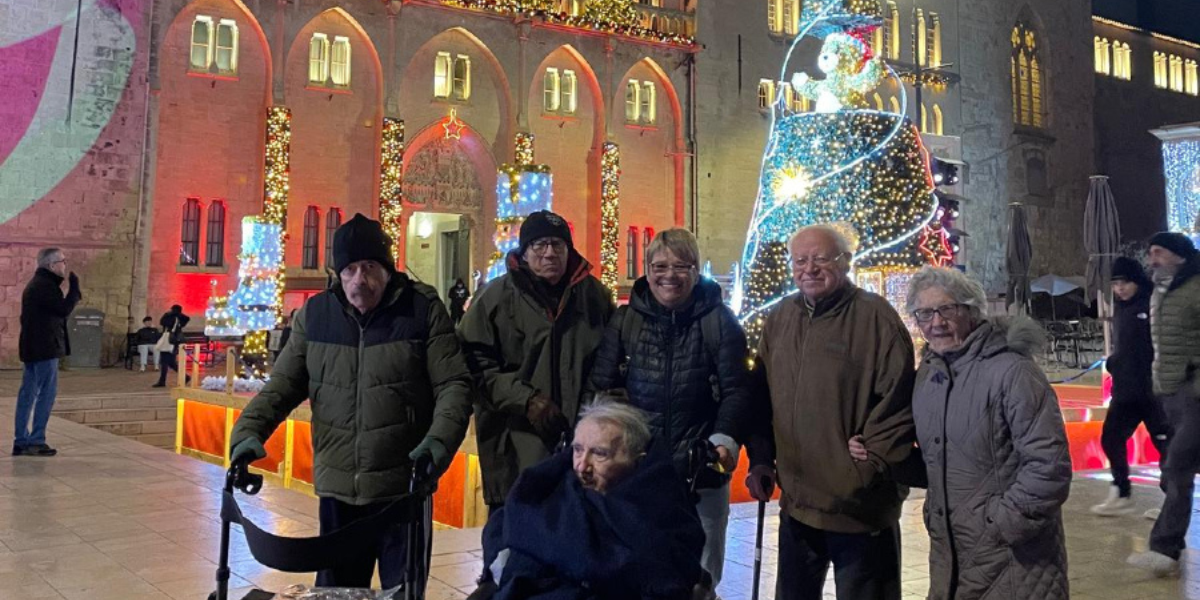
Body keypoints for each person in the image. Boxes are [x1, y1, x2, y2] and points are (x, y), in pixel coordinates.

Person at [228, 213, 474, 589]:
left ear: (388, 270)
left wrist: (437, 445)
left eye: (371, 267)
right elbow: (281, 387)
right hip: (339, 490)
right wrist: (246, 435)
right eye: (351, 269)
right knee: (336, 593)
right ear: (337, 273)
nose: (361, 279)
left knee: (402, 592)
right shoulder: (316, 316)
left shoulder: (421, 311)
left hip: (403, 487)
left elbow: (453, 385)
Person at [744, 224, 916, 600]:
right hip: (798, 506)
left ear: (846, 262)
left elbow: (899, 404)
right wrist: (760, 459)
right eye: (800, 260)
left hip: (860, 508)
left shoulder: (876, 319)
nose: (810, 268)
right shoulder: (780, 319)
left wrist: (867, 468)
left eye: (821, 258)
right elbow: (761, 398)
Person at [588, 228, 752, 593]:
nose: (669, 275)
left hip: (702, 473)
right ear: (646, 270)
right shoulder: (625, 321)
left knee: (699, 578)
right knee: (640, 572)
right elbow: (600, 389)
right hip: (639, 472)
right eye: (659, 265)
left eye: (681, 265)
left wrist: (721, 442)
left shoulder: (719, 321)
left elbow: (737, 391)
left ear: (696, 271)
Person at [459, 210, 615, 591]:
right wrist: (526, 400)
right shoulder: (495, 298)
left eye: (558, 245)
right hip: (516, 451)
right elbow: (472, 366)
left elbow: (611, 362)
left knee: (574, 562)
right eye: (540, 245)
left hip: (581, 454)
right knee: (511, 563)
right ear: (524, 252)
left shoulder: (594, 296)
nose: (549, 253)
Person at [894, 266, 1070, 599]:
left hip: (1012, 558)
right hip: (952, 552)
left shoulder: (1013, 371)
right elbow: (938, 460)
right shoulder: (928, 376)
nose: (936, 322)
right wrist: (880, 453)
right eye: (924, 313)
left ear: (971, 311)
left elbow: (1049, 466)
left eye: (947, 309)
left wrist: (1001, 525)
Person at [474, 398, 708, 600]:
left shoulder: (660, 506)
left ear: (637, 459)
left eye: (599, 453)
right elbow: (508, 525)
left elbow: (664, 567)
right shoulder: (551, 491)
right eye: (577, 450)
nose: (582, 465)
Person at [1128, 232, 1200, 577]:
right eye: (1151, 251)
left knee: (1177, 469)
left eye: (1159, 252)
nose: (1152, 258)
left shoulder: (1196, 288)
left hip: (1194, 394)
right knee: (1178, 470)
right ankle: (1170, 544)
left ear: (1179, 256)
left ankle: (1165, 548)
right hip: (1169, 392)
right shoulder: (1160, 291)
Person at [1091, 256, 1170, 516]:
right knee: (1111, 438)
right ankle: (1121, 491)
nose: (1120, 289)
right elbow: (1125, 346)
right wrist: (1115, 363)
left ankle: (1172, 501)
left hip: (1152, 391)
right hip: (1125, 390)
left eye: (1124, 283)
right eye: (1115, 284)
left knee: (1166, 445)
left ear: (1136, 281)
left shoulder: (1153, 302)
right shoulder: (1121, 309)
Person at [14, 247, 81, 457]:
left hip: (33, 348)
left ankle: (22, 440)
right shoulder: (45, 286)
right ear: (52, 265)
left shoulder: (37, 284)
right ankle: (36, 440)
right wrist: (74, 292)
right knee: (46, 393)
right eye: (62, 261)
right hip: (44, 349)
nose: (65, 264)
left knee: (28, 394)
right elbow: (62, 310)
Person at [152, 305, 190, 388]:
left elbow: (162, 322)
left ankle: (162, 381)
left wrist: (167, 314)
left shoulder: (171, 317)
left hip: (169, 341)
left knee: (165, 362)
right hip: (174, 342)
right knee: (170, 363)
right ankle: (185, 377)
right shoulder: (180, 318)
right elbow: (186, 319)